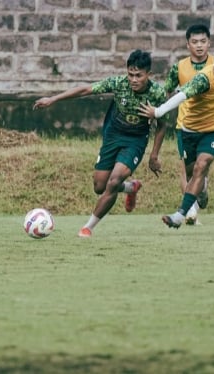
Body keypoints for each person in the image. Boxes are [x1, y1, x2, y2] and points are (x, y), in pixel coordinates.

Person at [33, 50, 168, 238]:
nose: (134, 79)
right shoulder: (119, 84)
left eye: (139, 75)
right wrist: (53, 99)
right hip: (113, 135)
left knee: (114, 181)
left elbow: (162, 125)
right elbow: (85, 90)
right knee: (100, 186)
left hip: (135, 141)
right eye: (131, 74)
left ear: (148, 75)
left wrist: (154, 155)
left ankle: (87, 228)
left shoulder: (157, 94)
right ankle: (131, 187)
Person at [139, 48, 214, 229]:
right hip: (189, 130)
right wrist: (158, 111)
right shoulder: (202, 80)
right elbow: (180, 96)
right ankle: (201, 189)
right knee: (191, 172)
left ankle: (180, 215)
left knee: (202, 165)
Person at [162, 24, 214, 225]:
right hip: (185, 125)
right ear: (188, 45)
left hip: (211, 126)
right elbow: (167, 92)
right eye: (195, 42)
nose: (199, 46)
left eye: (203, 41)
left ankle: (201, 188)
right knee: (186, 168)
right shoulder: (179, 67)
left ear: (209, 43)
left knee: (202, 167)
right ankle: (191, 210)